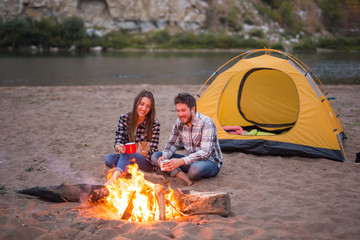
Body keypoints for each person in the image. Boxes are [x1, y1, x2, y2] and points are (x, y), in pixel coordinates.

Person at [151, 93, 222, 186]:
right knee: (156, 156)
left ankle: (182, 172)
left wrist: (180, 161)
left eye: (183, 110)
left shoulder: (206, 123)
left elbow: (205, 153)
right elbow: (172, 143)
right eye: (178, 111)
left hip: (210, 162)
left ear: (193, 109)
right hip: (189, 161)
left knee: (194, 171)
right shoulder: (179, 122)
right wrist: (165, 156)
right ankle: (180, 175)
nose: (180, 114)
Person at [104, 90, 160, 183]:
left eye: (147, 106)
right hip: (126, 156)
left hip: (145, 162)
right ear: (136, 103)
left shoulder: (154, 123)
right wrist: (120, 147)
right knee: (109, 158)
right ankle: (131, 170)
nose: (143, 108)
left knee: (129, 152)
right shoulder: (125, 118)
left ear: (151, 108)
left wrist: (136, 151)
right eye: (141, 104)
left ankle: (112, 181)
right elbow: (118, 140)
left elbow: (152, 151)